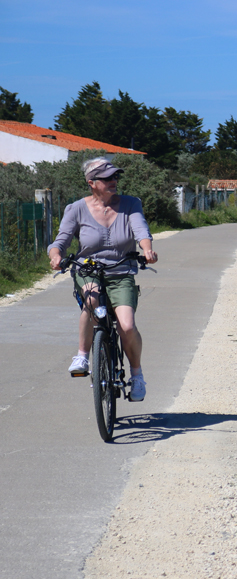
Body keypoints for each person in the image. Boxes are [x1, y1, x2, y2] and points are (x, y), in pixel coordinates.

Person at [47, 156, 158, 401]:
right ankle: (83, 356)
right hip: (89, 270)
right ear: (91, 182)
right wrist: (56, 255)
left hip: (121, 271)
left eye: (115, 176)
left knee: (127, 325)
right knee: (92, 301)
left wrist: (147, 249)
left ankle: (137, 375)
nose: (113, 181)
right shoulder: (76, 209)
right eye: (107, 178)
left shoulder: (131, 204)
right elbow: (61, 241)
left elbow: (141, 230)